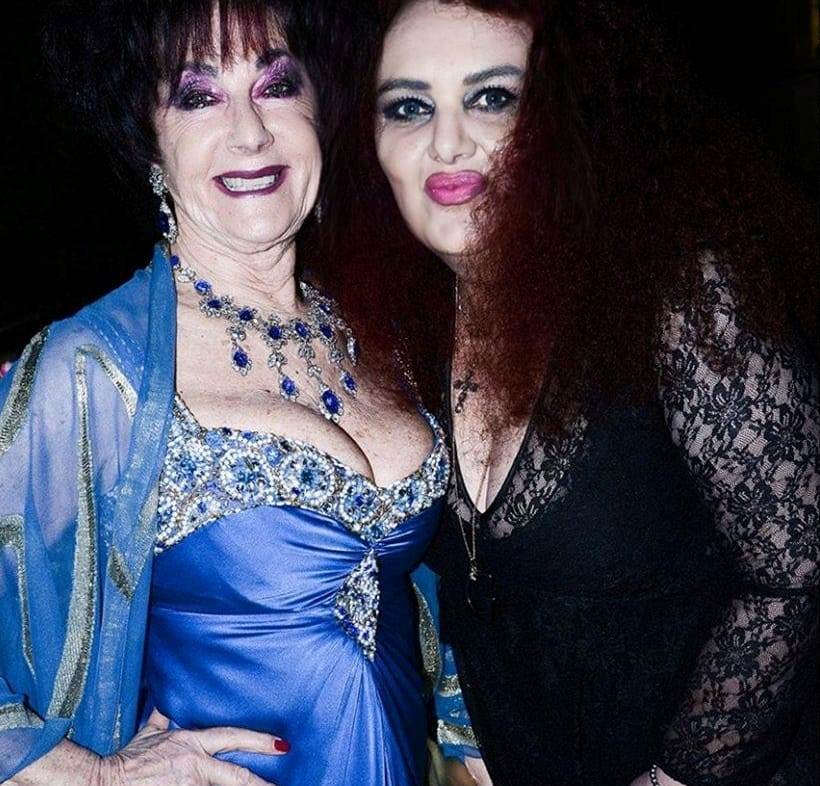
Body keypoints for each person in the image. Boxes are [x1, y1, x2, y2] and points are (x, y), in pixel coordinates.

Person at [319, 1, 820, 785]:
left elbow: (796, 571)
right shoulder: (399, 324)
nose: (447, 142)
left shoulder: (680, 291)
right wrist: (465, 732)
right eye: (409, 107)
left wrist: (675, 779)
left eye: (493, 98)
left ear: (570, 119)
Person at [0, 2, 450, 785]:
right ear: (148, 138)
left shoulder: (382, 325)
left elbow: (449, 583)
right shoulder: (95, 366)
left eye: (276, 85)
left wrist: (465, 736)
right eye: (198, 97)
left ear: (320, 106)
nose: (250, 132)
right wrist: (94, 775)